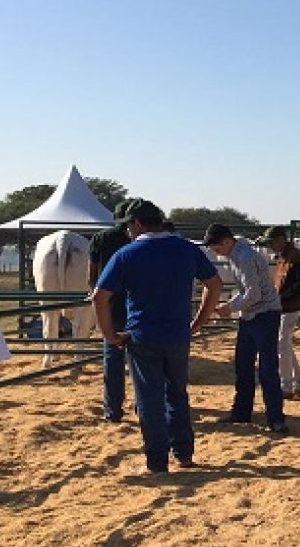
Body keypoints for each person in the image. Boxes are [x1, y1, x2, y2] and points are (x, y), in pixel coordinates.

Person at [92, 199, 222, 474]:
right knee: (177, 393)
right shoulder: (186, 249)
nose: (127, 231)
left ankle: (157, 461)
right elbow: (214, 284)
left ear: (137, 223)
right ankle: (184, 453)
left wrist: (109, 334)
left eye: (128, 225)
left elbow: (99, 297)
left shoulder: (127, 254)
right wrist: (198, 321)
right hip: (177, 334)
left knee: (149, 399)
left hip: (142, 336)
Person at [204, 223, 289, 434]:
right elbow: (248, 291)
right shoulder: (238, 254)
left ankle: (275, 417)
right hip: (252, 314)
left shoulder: (244, 257)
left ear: (226, 241)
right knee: (243, 364)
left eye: (216, 248)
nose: (217, 253)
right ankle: (242, 411)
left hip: (264, 314)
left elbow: (253, 294)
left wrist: (228, 308)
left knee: (267, 367)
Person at [90, 199, 134, 422]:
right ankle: (141, 404)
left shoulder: (100, 238)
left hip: (110, 304)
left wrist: (94, 294)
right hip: (135, 304)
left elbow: (93, 272)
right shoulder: (136, 239)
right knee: (140, 358)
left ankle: (112, 410)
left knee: (112, 359)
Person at [257, 226, 300, 400]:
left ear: (281, 239)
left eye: (272, 242)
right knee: (285, 344)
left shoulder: (294, 257)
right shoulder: (286, 256)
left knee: (282, 344)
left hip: (289, 307)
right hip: (287, 306)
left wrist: (281, 299)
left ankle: (286, 386)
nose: (270, 247)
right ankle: (298, 384)